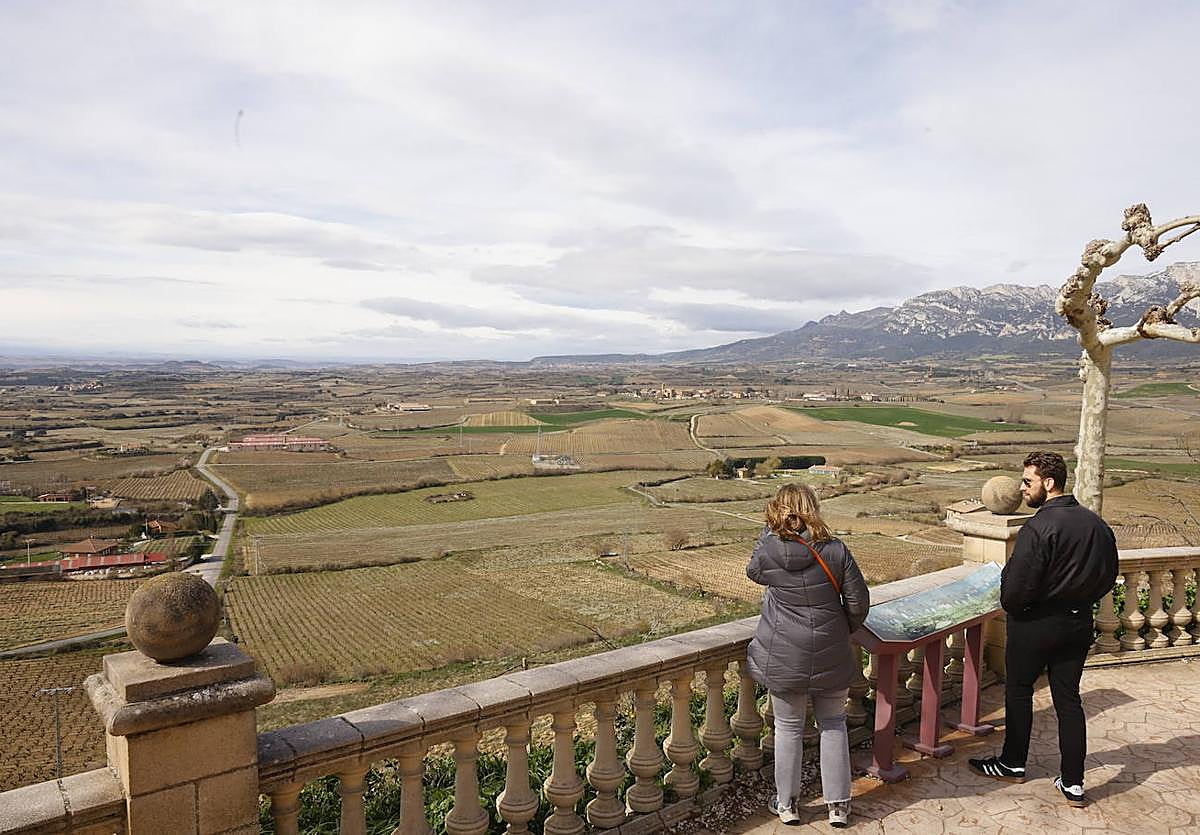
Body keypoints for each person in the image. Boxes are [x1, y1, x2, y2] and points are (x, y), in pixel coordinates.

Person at [968, 450, 1118, 807]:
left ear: (1048, 484)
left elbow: (1016, 589)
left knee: (1019, 691)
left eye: (1028, 482)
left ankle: (1012, 762)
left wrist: (1020, 609)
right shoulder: (1095, 524)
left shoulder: (1038, 527)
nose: (1022, 489)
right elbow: (1108, 576)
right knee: (1068, 700)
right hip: (1078, 623)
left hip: (1035, 624)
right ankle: (1073, 783)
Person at [745, 483, 870, 828]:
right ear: (813, 509)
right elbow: (859, 604)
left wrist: (768, 532)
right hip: (831, 652)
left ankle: (786, 805)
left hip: (784, 655)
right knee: (833, 725)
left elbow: (752, 572)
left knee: (787, 729)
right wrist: (838, 629)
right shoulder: (836, 550)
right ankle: (839, 807)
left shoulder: (769, 551)